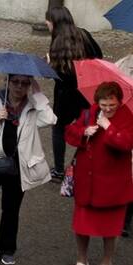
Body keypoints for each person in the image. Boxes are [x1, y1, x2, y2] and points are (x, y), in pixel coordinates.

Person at [0, 75, 56, 265]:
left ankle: (6, 249)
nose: (20, 87)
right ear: (7, 81)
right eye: (16, 82)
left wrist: (38, 94)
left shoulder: (32, 105)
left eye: (25, 83)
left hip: (20, 166)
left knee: (11, 210)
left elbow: (50, 119)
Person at [64, 82, 133, 265]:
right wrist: (83, 133)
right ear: (97, 102)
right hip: (87, 181)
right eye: (104, 104)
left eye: (112, 104)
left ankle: (106, 263)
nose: (108, 108)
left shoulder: (127, 116)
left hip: (113, 185)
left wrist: (108, 127)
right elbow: (70, 132)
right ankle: (81, 260)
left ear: (119, 101)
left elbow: (126, 143)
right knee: (81, 226)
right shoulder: (89, 113)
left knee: (110, 229)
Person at [45, 5, 102, 182]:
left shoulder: (56, 44)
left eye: (47, 21)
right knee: (87, 128)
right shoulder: (83, 34)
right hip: (86, 92)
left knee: (58, 129)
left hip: (65, 97)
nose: (46, 24)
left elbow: (61, 78)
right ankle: (84, 166)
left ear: (54, 22)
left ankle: (59, 170)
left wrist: (50, 63)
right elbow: (98, 56)